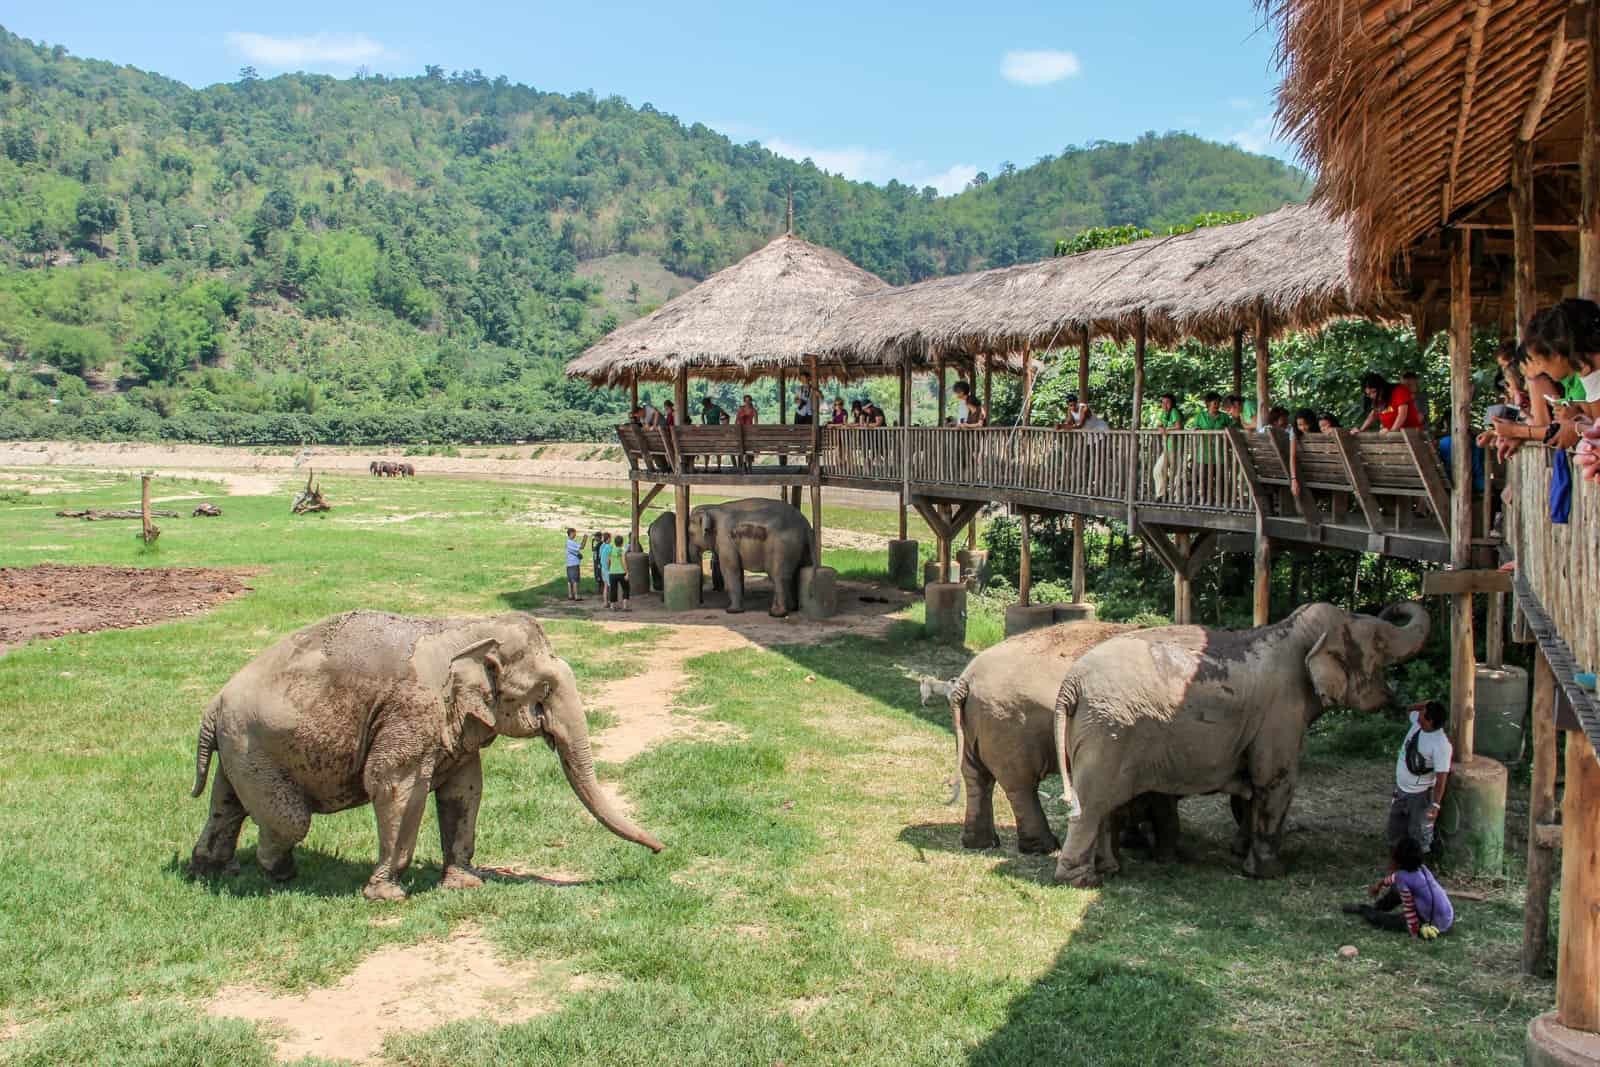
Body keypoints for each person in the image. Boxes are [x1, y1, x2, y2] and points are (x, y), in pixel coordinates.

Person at [1344, 837, 1454, 939]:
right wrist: (1379, 885)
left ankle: (1365, 910)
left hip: (1436, 924)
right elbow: (1393, 878)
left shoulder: (1403, 878)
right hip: (1447, 916)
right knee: (1396, 890)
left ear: (1398, 859)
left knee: (1390, 920)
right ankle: (1377, 908)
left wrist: (1414, 931)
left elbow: (1409, 908)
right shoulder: (1422, 868)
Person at [1388, 700, 1452, 853]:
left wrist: (1435, 805)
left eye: (1422, 715)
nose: (1417, 717)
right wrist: (1426, 703)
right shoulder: (1418, 725)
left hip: (1419, 795)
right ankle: (1397, 857)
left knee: (1417, 834)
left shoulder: (1441, 745)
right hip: (1401, 789)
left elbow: (1442, 778)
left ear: (1430, 721)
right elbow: (1408, 709)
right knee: (1395, 827)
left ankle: (1418, 865)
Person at [1356, 372, 1423, 432]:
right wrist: (1361, 430)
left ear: (1382, 387)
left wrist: (1392, 432)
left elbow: (1402, 414)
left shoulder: (1399, 391)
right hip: (1394, 437)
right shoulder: (1379, 399)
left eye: (1374, 392)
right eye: (1368, 394)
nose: (1372, 396)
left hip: (1411, 435)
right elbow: (1373, 415)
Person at [1289, 408, 1318, 498]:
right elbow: (1292, 456)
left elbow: (1292, 456)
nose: (1303, 428)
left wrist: (1294, 479)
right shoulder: (1295, 432)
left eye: (1306, 424)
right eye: (1300, 425)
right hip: (1306, 473)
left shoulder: (1320, 429)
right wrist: (1294, 479)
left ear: (1312, 422)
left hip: (1314, 473)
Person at [606, 532, 630, 612]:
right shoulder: (622, 550)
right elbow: (623, 561)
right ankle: (625, 606)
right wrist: (627, 572)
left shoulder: (611, 549)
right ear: (622, 542)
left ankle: (612, 606)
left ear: (615, 542)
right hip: (621, 572)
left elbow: (608, 561)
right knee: (626, 588)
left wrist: (609, 569)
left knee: (613, 589)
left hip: (612, 573)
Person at [564, 528, 588, 601]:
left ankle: (570, 595)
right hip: (574, 564)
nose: (575, 534)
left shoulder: (569, 542)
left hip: (569, 564)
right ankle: (576, 595)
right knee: (575, 580)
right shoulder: (571, 542)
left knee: (570, 581)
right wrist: (585, 538)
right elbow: (581, 547)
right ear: (571, 533)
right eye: (574, 533)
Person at [591, 530, 608, 601]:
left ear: (599, 537)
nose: (594, 538)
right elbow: (593, 549)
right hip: (596, 561)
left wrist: (599, 563)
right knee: (597, 575)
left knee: (599, 575)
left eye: (596, 537)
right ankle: (600, 589)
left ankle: (601, 590)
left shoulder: (600, 544)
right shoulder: (597, 544)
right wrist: (592, 542)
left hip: (598, 562)